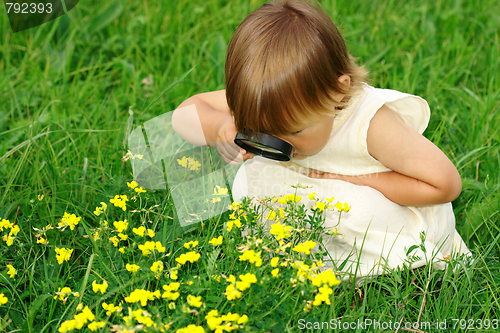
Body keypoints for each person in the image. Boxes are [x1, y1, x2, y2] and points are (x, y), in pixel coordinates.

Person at [172, 0, 470, 278]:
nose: (280, 143)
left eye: (294, 131)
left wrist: (359, 181)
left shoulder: (369, 124)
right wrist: (221, 126)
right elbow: (183, 115)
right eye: (263, 131)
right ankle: (305, 253)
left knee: (355, 207)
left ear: (337, 92)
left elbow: (445, 184)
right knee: (249, 180)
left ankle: (396, 267)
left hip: (390, 213)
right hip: (320, 195)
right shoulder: (270, 99)